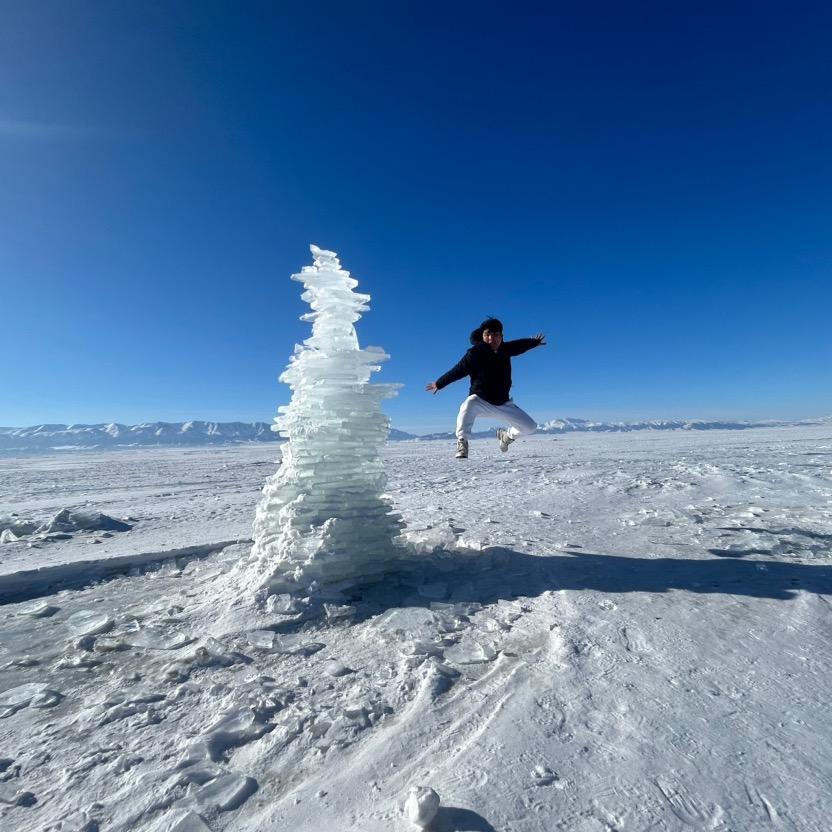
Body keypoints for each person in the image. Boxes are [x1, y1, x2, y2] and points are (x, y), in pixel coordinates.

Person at [426, 318, 546, 458]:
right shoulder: (474, 354)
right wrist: (439, 384)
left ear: (501, 337)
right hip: (480, 401)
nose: (491, 338)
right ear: (482, 336)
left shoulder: (505, 350)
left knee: (530, 426)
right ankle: (462, 442)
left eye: (496, 335)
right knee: (468, 405)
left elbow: (519, 345)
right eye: (488, 335)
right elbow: (457, 370)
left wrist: (534, 342)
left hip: (503, 403)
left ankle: (506, 437)